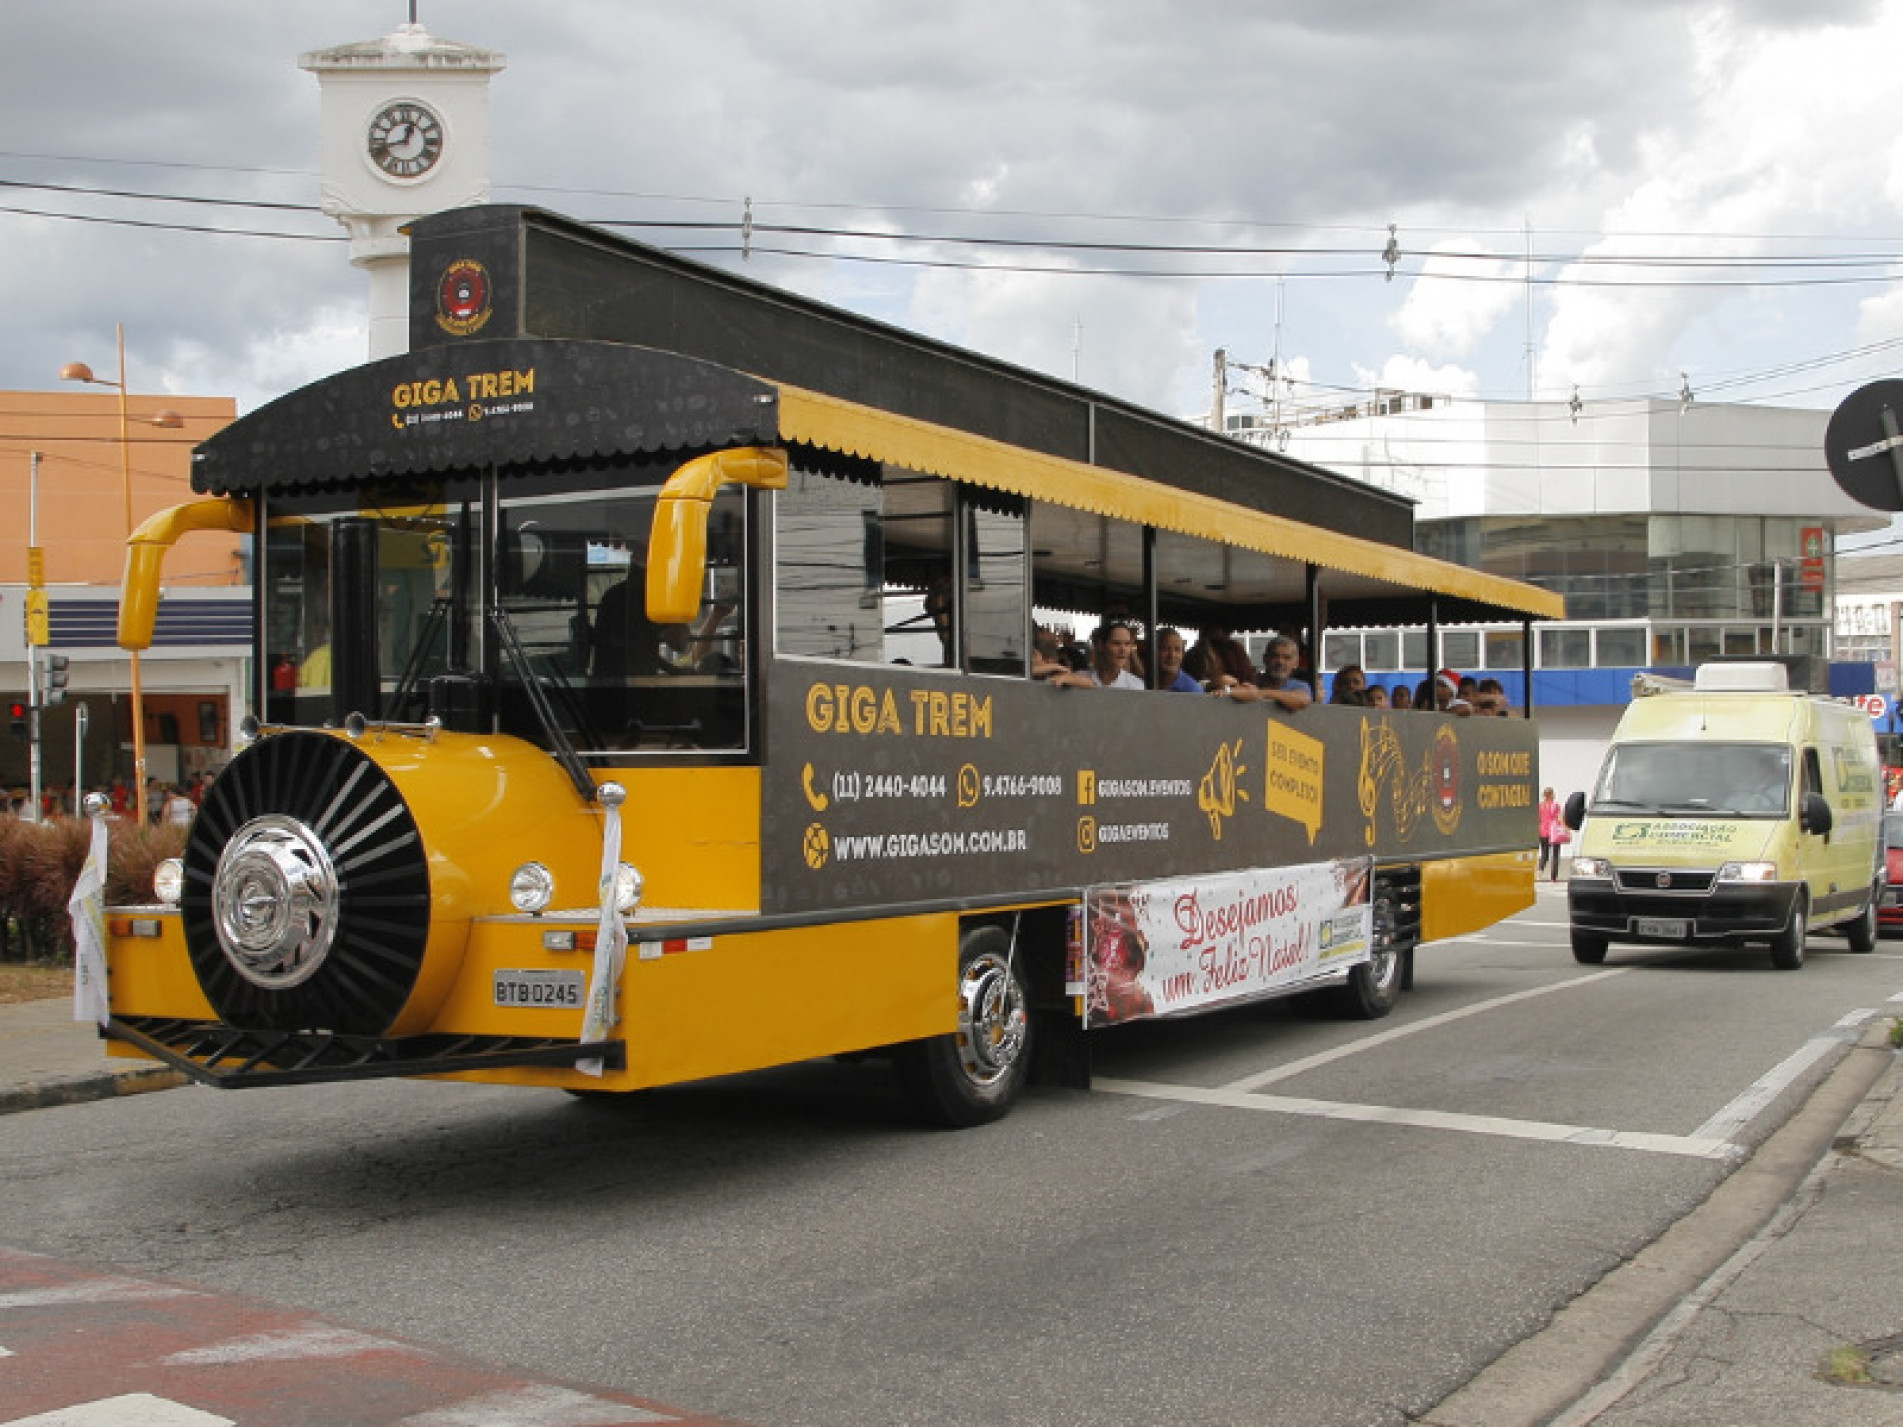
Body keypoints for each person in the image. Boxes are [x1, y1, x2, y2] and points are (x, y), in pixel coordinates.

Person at [1213, 634, 1312, 710]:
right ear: (1265, 659)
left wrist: (1259, 694)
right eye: (1275, 656)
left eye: (1287, 658)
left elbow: (1302, 700)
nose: (1280, 662)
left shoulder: (1299, 686)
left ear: (1296, 663)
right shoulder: (1251, 679)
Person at [1051, 621, 1144, 689]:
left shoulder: (1136, 685)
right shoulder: (1078, 677)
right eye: (1116, 643)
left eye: (1127, 644)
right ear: (1101, 646)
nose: (1123, 649)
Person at [1153, 628, 1204, 692]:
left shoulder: (1192, 689)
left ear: (1183, 654)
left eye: (1177, 650)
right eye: (1165, 649)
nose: (1171, 656)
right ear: (1153, 651)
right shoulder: (1142, 682)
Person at [1537, 786, 1568, 880]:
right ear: (1551, 795)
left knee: (1544, 854)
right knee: (1555, 855)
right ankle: (1553, 877)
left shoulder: (1540, 806)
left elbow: (1538, 819)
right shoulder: (1556, 805)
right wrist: (1566, 829)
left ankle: (1539, 872)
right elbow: (1560, 818)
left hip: (1543, 832)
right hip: (1554, 832)